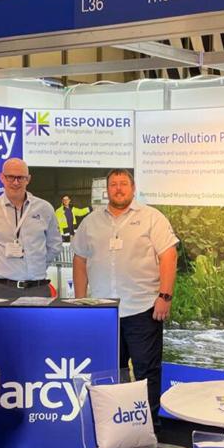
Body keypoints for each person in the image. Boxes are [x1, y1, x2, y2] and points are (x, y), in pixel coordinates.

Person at [72, 169, 177, 425]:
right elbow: (79, 260)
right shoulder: (91, 222)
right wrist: (80, 303)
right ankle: (111, 427)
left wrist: (165, 296)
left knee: (146, 373)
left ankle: (148, 429)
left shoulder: (152, 217)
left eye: (123, 184)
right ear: (107, 189)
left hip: (142, 309)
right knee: (107, 372)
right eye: (113, 184)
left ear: (133, 188)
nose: (118, 189)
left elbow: (168, 255)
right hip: (102, 312)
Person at [0, 158, 62, 299]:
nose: (15, 182)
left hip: (38, 289)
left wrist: (39, 265)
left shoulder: (45, 208)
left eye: (20, 178)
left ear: (28, 179)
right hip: (2, 290)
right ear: (2, 177)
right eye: (10, 177)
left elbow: (55, 246)